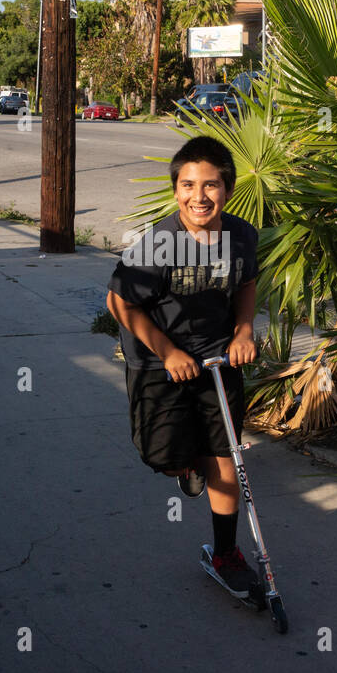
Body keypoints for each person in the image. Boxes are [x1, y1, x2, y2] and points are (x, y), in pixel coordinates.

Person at [106, 136, 260, 597]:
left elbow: (248, 282)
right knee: (163, 455)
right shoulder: (157, 245)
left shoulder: (242, 235)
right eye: (188, 185)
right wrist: (167, 352)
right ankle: (185, 463)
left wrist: (244, 331)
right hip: (158, 361)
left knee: (226, 457)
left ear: (227, 190)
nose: (199, 196)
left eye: (210, 185)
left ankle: (226, 553)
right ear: (176, 190)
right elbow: (118, 302)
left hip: (216, 357)